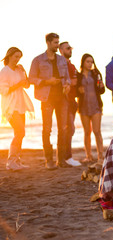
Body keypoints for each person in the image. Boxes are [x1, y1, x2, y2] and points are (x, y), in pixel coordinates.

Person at [29, 33, 71, 169]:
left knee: (63, 129)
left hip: (62, 98)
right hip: (46, 98)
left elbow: (68, 78)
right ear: (47, 42)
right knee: (47, 129)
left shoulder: (62, 60)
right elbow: (31, 78)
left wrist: (67, 85)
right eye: (55, 42)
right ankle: (49, 160)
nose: (57, 45)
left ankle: (61, 160)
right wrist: (47, 81)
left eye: (58, 42)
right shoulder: (38, 60)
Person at [0, 47, 34, 170]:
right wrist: (18, 84)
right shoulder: (4, 71)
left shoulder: (19, 70)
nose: (18, 59)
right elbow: (3, 90)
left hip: (20, 105)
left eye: (19, 57)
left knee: (19, 133)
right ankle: (11, 162)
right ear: (9, 56)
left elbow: (27, 85)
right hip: (10, 106)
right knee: (20, 132)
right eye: (16, 56)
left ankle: (16, 161)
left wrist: (24, 72)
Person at [77, 54, 105, 165]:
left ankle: (101, 156)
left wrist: (102, 86)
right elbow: (75, 92)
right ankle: (88, 156)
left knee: (97, 131)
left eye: (91, 62)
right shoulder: (78, 76)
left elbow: (102, 91)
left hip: (96, 105)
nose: (90, 64)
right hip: (83, 106)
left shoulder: (96, 74)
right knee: (87, 132)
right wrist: (79, 90)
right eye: (88, 61)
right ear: (83, 62)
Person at [58, 41, 81, 167]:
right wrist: (71, 81)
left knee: (69, 129)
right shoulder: (60, 64)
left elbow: (75, 81)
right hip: (64, 100)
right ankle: (66, 157)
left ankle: (66, 156)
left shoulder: (71, 65)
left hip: (72, 100)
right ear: (61, 50)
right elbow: (68, 81)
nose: (70, 50)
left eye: (70, 48)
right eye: (67, 48)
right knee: (68, 128)